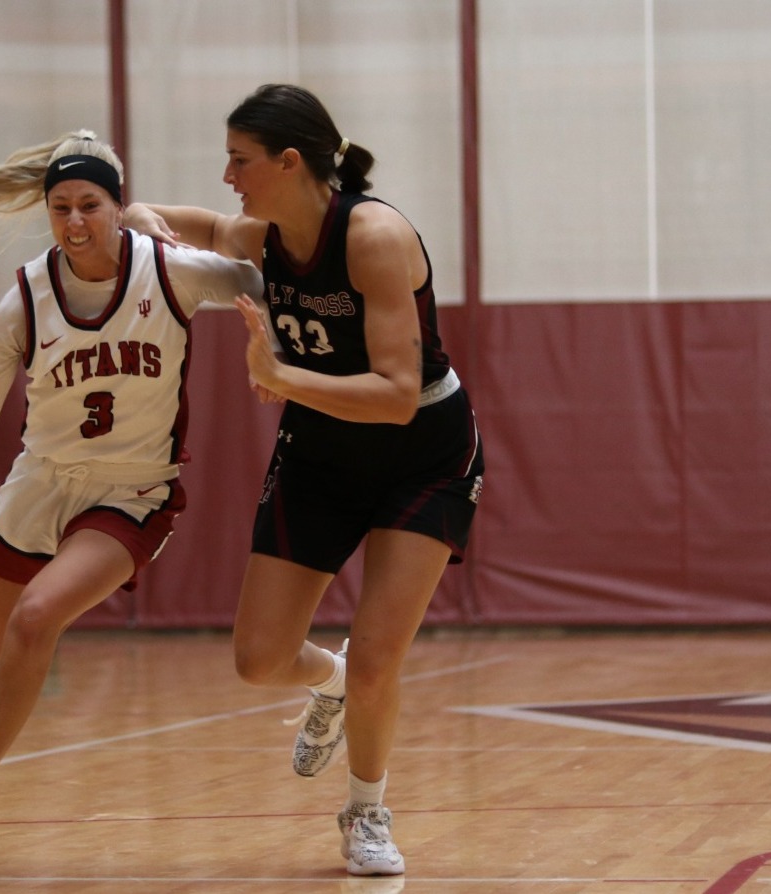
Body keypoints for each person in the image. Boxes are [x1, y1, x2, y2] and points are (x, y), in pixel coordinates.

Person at [0, 129, 260, 885]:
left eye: (89, 206)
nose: (73, 222)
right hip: (39, 485)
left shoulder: (172, 274)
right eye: (59, 207)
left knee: (38, 618)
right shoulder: (26, 300)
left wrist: (288, 333)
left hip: (131, 493)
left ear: (118, 206)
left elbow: (262, 280)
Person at [123, 83, 486, 877]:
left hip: (421, 452)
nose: (227, 174)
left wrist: (281, 377)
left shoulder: (374, 236)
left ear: (290, 162)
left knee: (383, 655)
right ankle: (332, 681)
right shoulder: (265, 232)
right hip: (322, 451)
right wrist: (140, 215)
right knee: (257, 657)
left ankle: (366, 812)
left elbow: (394, 396)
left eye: (239, 159)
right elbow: (214, 228)